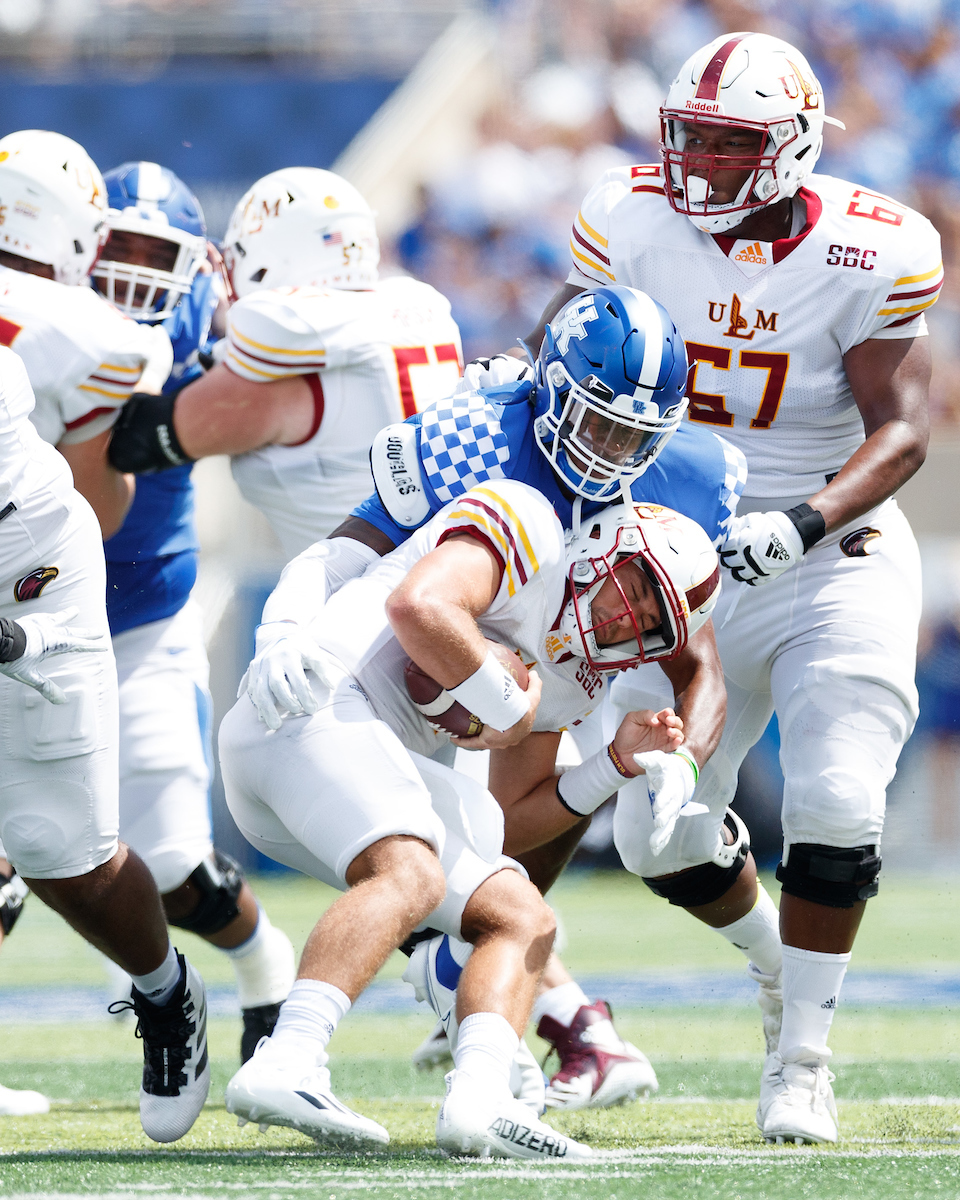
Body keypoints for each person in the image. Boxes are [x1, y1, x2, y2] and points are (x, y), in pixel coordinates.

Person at [522, 31, 941, 1144]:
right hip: (669, 563)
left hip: (828, 556)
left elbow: (904, 430)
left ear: (795, 147)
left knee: (840, 793)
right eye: (690, 138)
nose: (700, 165)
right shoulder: (629, 216)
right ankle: (776, 971)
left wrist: (798, 521)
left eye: (729, 143)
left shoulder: (870, 247)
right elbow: (563, 354)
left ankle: (804, 1058)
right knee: (659, 833)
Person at [238, 282, 744, 1109]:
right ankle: (510, 1032)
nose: (613, 453)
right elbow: (365, 562)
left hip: (519, 667)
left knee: (492, 876)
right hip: (390, 672)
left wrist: (655, 764)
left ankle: (513, 1052)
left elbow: (697, 656)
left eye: (636, 435)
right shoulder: (478, 442)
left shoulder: (683, 481)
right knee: (417, 875)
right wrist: (287, 625)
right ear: (547, 385)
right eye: (599, 421)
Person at [218, 479, 723, 1157]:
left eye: (651, 621)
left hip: (341, 765)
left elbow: (513, 821)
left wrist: (613, 764)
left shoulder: (576, 675)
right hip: (308, 699)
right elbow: (417, 606)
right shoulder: (530, 522)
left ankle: (479, 1102)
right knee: (413, 873)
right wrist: (507, 703)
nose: (627, 619)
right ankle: (288, 1059)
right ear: (607, 544)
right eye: (633, 589)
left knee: (521, 916)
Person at [90, 161, 295, 1062]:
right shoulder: (40, 315)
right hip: (26, 619)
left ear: (200, 263)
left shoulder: (217, 324)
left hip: (142, 609)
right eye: (112, 251)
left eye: (154, 253)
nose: (131, 272)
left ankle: (260, 955)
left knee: (170, 865)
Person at [0, 332, 207, 1143]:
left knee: (61, 851)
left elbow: (126, 342)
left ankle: (165, 993)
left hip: (33, 574)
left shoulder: (40, 313)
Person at [108, 166, 464, 559]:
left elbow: (135, 440)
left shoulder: (284, 356)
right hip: (444, 564)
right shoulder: (413, 307)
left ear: (265, 260)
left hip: (360, 594)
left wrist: (156, 350)